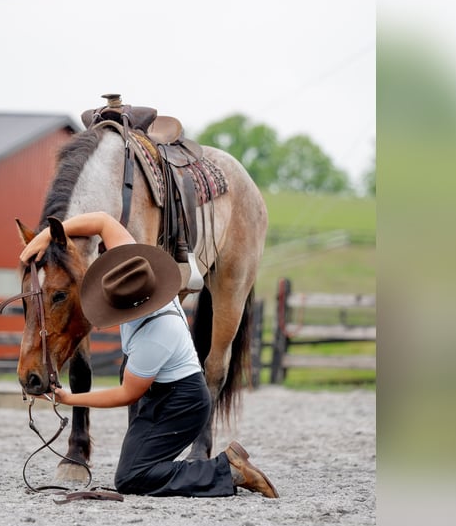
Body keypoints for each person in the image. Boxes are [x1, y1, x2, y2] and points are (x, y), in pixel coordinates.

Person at [20, 211, 278, 498]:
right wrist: (45, 236)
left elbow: (127, 394)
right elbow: (103, 221)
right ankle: (216, 469)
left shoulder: (155, 332)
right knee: (135, 471)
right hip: (163, 397)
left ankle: (227, 469)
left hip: (183, 406)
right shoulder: (132, 272)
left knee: (132, 478)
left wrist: (69, 398)